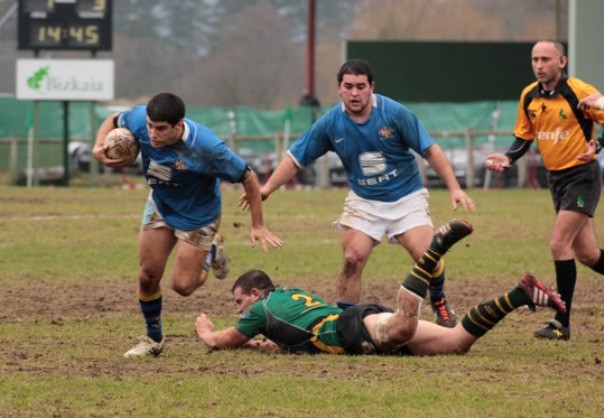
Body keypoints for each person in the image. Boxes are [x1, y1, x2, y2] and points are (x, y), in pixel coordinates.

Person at [242, 59, 475, 327]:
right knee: (353, 258)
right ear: (339, 89)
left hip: (406, 197)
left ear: (371, 87)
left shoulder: (394, 114)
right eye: (348, 86)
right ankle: (344, 324)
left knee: (427, 258)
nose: (355, 93)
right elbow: (296, 158)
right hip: (365, 201)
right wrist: (267, 188)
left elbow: (430, 149)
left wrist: (454, 187)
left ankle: (439, 300)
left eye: (361, 87)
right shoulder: (331, 123)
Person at [93, 92, 283, 358]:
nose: (153, 134)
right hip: (161, 204)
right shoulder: (139, 122)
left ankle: (211, 253)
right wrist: (98, 146)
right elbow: (113, 119)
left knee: (183, 287)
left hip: (199, 217)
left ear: (179, 124)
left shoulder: (207, 147)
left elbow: (248, 177)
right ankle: (153, 339)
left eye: (161, 129)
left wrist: (258, 225)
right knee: (147, 276)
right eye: (150, 127)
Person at [195, 219, 566, 356]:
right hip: (355, 323)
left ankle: (434, 248)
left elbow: (221, 341)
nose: (240, 311)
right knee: (456, 343)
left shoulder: (262, 310)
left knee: (403, 326)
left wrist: (206, 330)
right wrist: (268, 344)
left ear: (257, 295)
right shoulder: (285, 297)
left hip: (351, 329)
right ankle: (521, 293)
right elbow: (289, 334)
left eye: (241, 302)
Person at [485, 40, 604, 341]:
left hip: (582, 176)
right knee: (588, 254)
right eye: (535, 59)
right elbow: (524, 137)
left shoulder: (578, 91)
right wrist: (508, 157)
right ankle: (562, 321)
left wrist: (598, 145)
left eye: (546, 59)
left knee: (558, 244)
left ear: (561, 62)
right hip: (556, 180)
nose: (539, 65)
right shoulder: (529, 96)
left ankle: (561, 322)